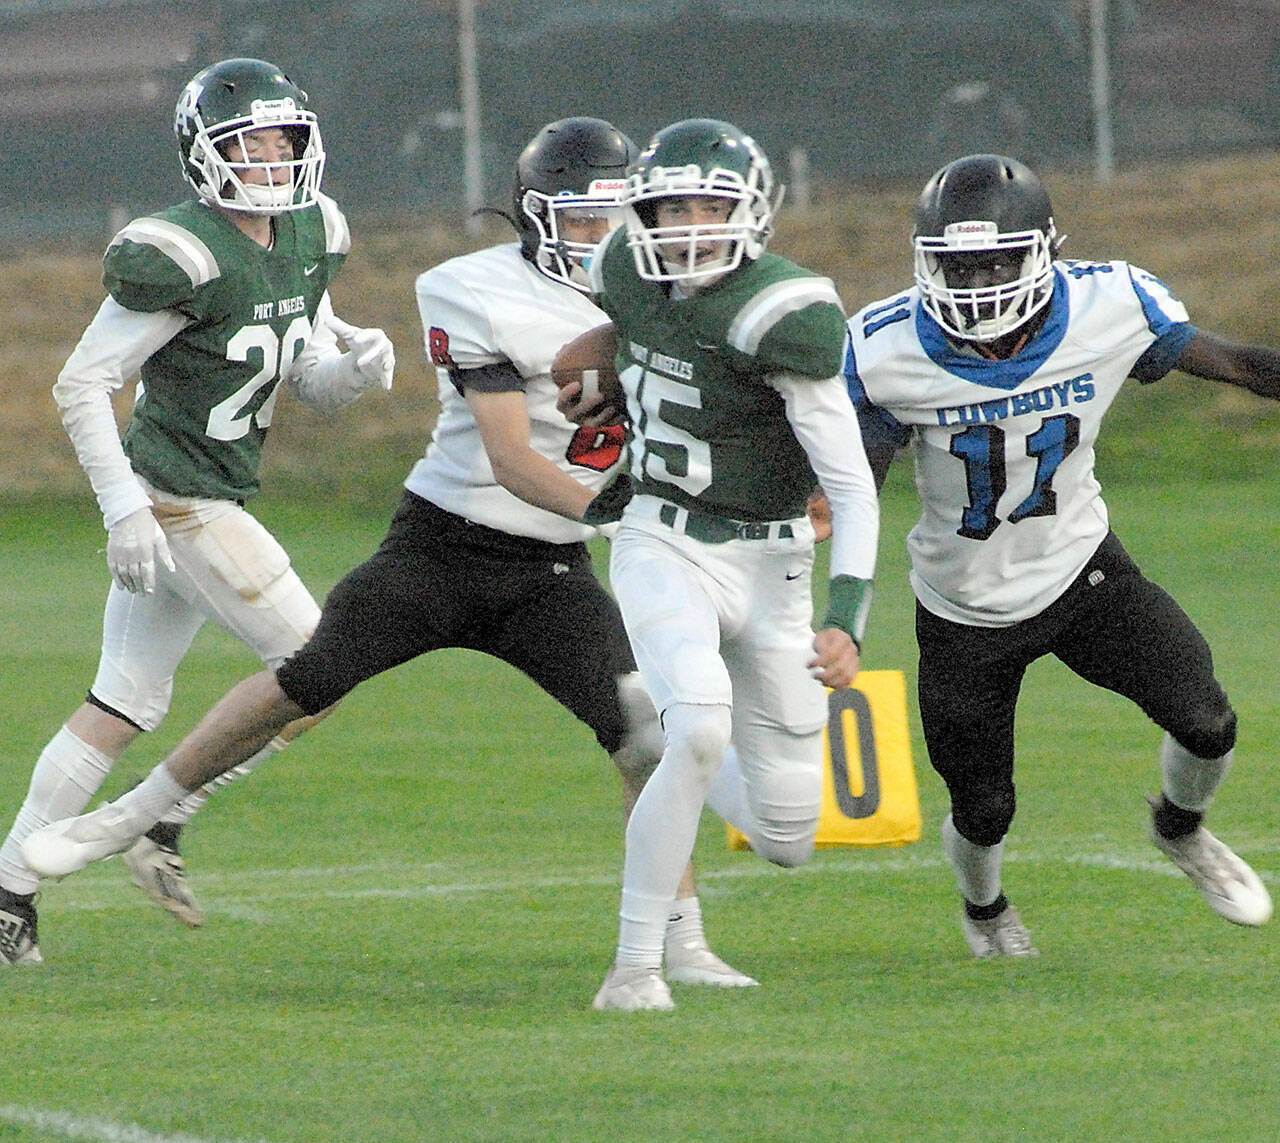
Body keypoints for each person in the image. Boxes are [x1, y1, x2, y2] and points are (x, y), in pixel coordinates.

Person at [19, 117, 753, 989]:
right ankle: (137, 820)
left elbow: (707, 422)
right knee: (305, 675)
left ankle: (680, 944)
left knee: (645, 737)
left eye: (615, 217)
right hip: (428, 547)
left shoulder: (670, 300)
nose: (602, 236)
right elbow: (511, 457)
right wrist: (121, 510)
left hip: (551, 568)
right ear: (535, 217)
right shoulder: (477, 289)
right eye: (581, 218)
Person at [0, 58, 394, 966]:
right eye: (248, 144)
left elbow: (304, 375)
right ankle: (163, 817)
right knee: (321, 669)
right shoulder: (184, 252)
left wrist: (353, 371)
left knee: (121, 701)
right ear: (205, 155)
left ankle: (9, 891)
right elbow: (81, 383)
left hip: (194, 494)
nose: (269, 159)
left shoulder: (311, 231)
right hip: (179, 503)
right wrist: (122, 510)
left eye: (281, 141)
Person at [842, 153, 1274, 958]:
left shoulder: (1110, 306)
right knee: (983, 809)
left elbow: (1241, 366)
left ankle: (1181, 830)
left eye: (997, 262)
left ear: (1043, 252)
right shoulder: (884, 349)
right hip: (964, 608)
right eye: (960, 266)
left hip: (1083, 573)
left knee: (1207, 720)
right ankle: (985, 910)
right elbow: (855, 483)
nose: (979, 284)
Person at [560, 119, 880, 1011]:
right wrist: (601, 371)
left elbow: (851, 488)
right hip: (660, 535)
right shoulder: (624, 269)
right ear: (645, 211)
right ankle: (634, 970)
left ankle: (659, 731)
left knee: (788, 835)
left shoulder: (785, 312)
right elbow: (618, 333)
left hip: (773, 561)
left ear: (754, 212)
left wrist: (846, 618)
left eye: (712, 206)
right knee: (703, 727)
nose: (692, 226)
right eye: (675, 208)